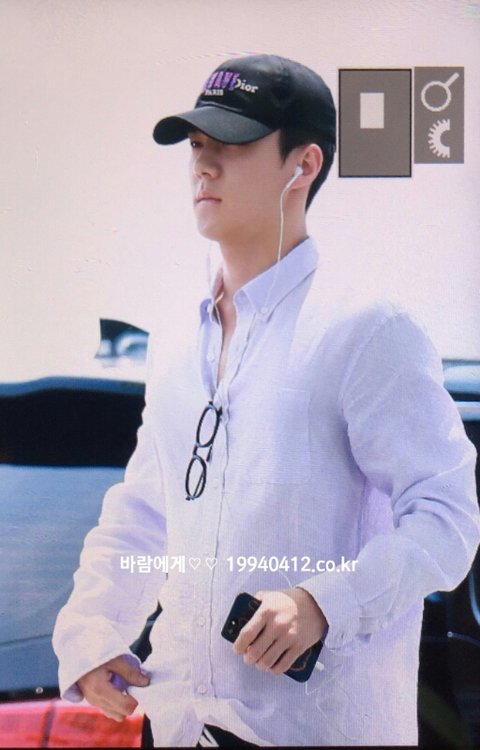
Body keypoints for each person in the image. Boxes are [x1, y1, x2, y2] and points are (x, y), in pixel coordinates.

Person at [53, 54, 479, 748]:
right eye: (197, 144)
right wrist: (92, 631)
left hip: (309, 732)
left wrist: (323, 604)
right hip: (177, 724)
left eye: (231, 143)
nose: (204, 164)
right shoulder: (175, 334)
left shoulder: (367, 329)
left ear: (303, 164)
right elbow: (145, 509)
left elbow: (447, 517)